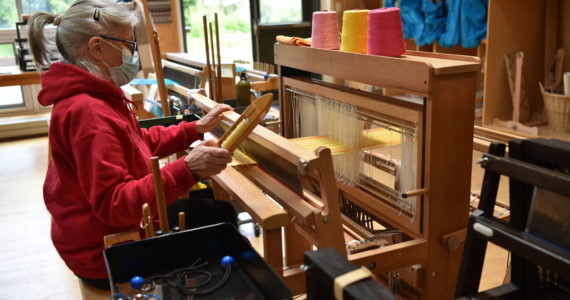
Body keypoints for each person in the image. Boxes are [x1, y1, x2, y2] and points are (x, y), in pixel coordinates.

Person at [28, 0, 236, 290]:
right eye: (127, 43)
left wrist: (192, 129)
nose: (132, 52)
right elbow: (113, 204)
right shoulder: (89, 113)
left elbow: (138, 142)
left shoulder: (96, 96)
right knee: (221, 226)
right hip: (105, 252)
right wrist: (186, 169)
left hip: (100, 234)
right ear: (97, 48)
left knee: (214, 213)